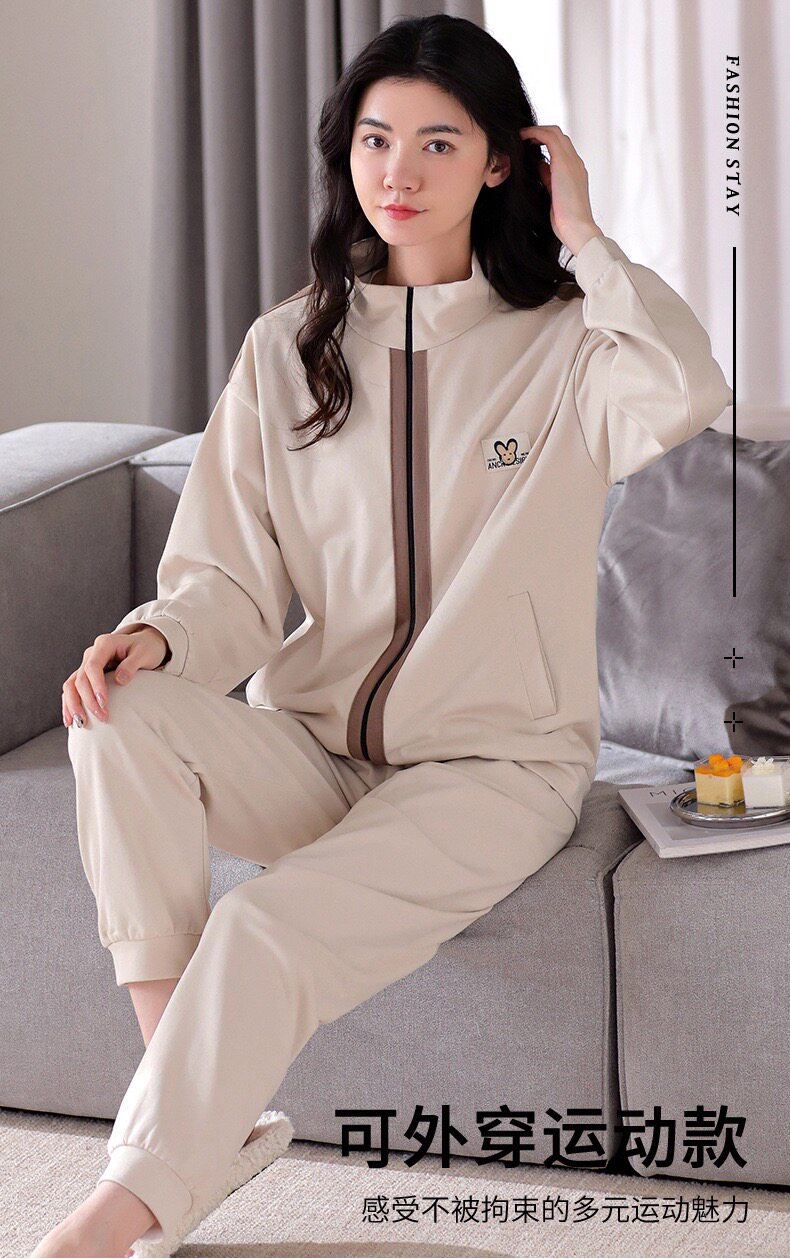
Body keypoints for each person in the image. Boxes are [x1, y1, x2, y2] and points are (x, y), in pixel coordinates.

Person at [32, 12, 732, 1258]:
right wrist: (160, 638)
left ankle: (110, 1213)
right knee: (116, 710)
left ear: (503, 161)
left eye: (437, 142)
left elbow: (687, 389)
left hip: (491, 769)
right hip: (313, 749)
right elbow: (225, 582)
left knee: (260, 924)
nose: (397, 171)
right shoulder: (289, 347)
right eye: (373, 139)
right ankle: (194, 1115)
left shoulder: (569, 347)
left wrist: (585, 236)